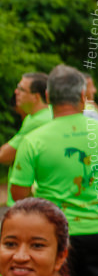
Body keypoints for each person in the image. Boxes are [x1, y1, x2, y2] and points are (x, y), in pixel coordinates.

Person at [10, 66, 98, 276]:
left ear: (47, 96)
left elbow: (19, 193)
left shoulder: (34, 139)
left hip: (54, 233)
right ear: (83, 96)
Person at [1, 72, 53, 205]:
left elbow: (4, 156)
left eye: (21, 89)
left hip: (30, 201)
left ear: (36, 97)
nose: (16, 92)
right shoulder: (38, 116)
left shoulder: (39, 120)